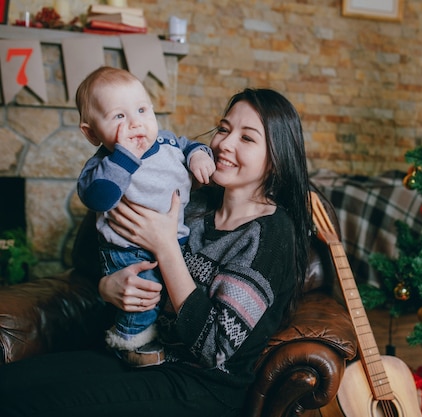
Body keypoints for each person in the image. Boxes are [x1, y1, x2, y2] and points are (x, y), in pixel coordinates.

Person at [0, 87, 311, 417]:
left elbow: (214, 348)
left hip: (198, 385)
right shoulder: (191, 201)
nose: (224, 144)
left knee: (27, 406)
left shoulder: (272, 236)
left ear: (276, 158)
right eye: (223, 129)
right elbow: (103, 255)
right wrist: (109, 288)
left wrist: (166, 247)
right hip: (137, 354)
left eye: (247, 138)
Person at [74, 66, 216, 367]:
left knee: (170, 297)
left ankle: (160, 339)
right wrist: (125, 156)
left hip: (174, 242)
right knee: (143, 298)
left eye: (141, 110)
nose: (135, 123)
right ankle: (129, 340)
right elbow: (99, 197)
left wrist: (199, 155)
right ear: (91, 133)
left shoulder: (166, 141)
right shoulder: (104, 164)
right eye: (118, 116)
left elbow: (189, 145)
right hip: (127, 250)